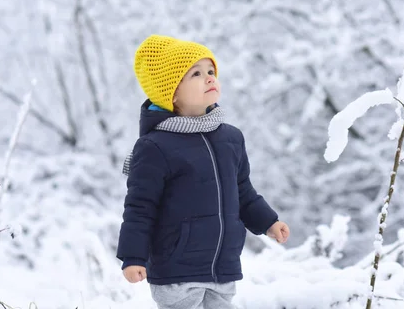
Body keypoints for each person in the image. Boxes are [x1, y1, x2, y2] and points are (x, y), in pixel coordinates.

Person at [117, 35, 290, 309]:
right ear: (171, 92)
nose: (209, 78)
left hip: (223, 265)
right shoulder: (155, 146)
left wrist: (268, 221)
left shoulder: (231, 138)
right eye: (196, 74)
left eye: (211, 71)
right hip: (177, 270)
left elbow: (243, 190)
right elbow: (140, 207)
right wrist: (133, 257)